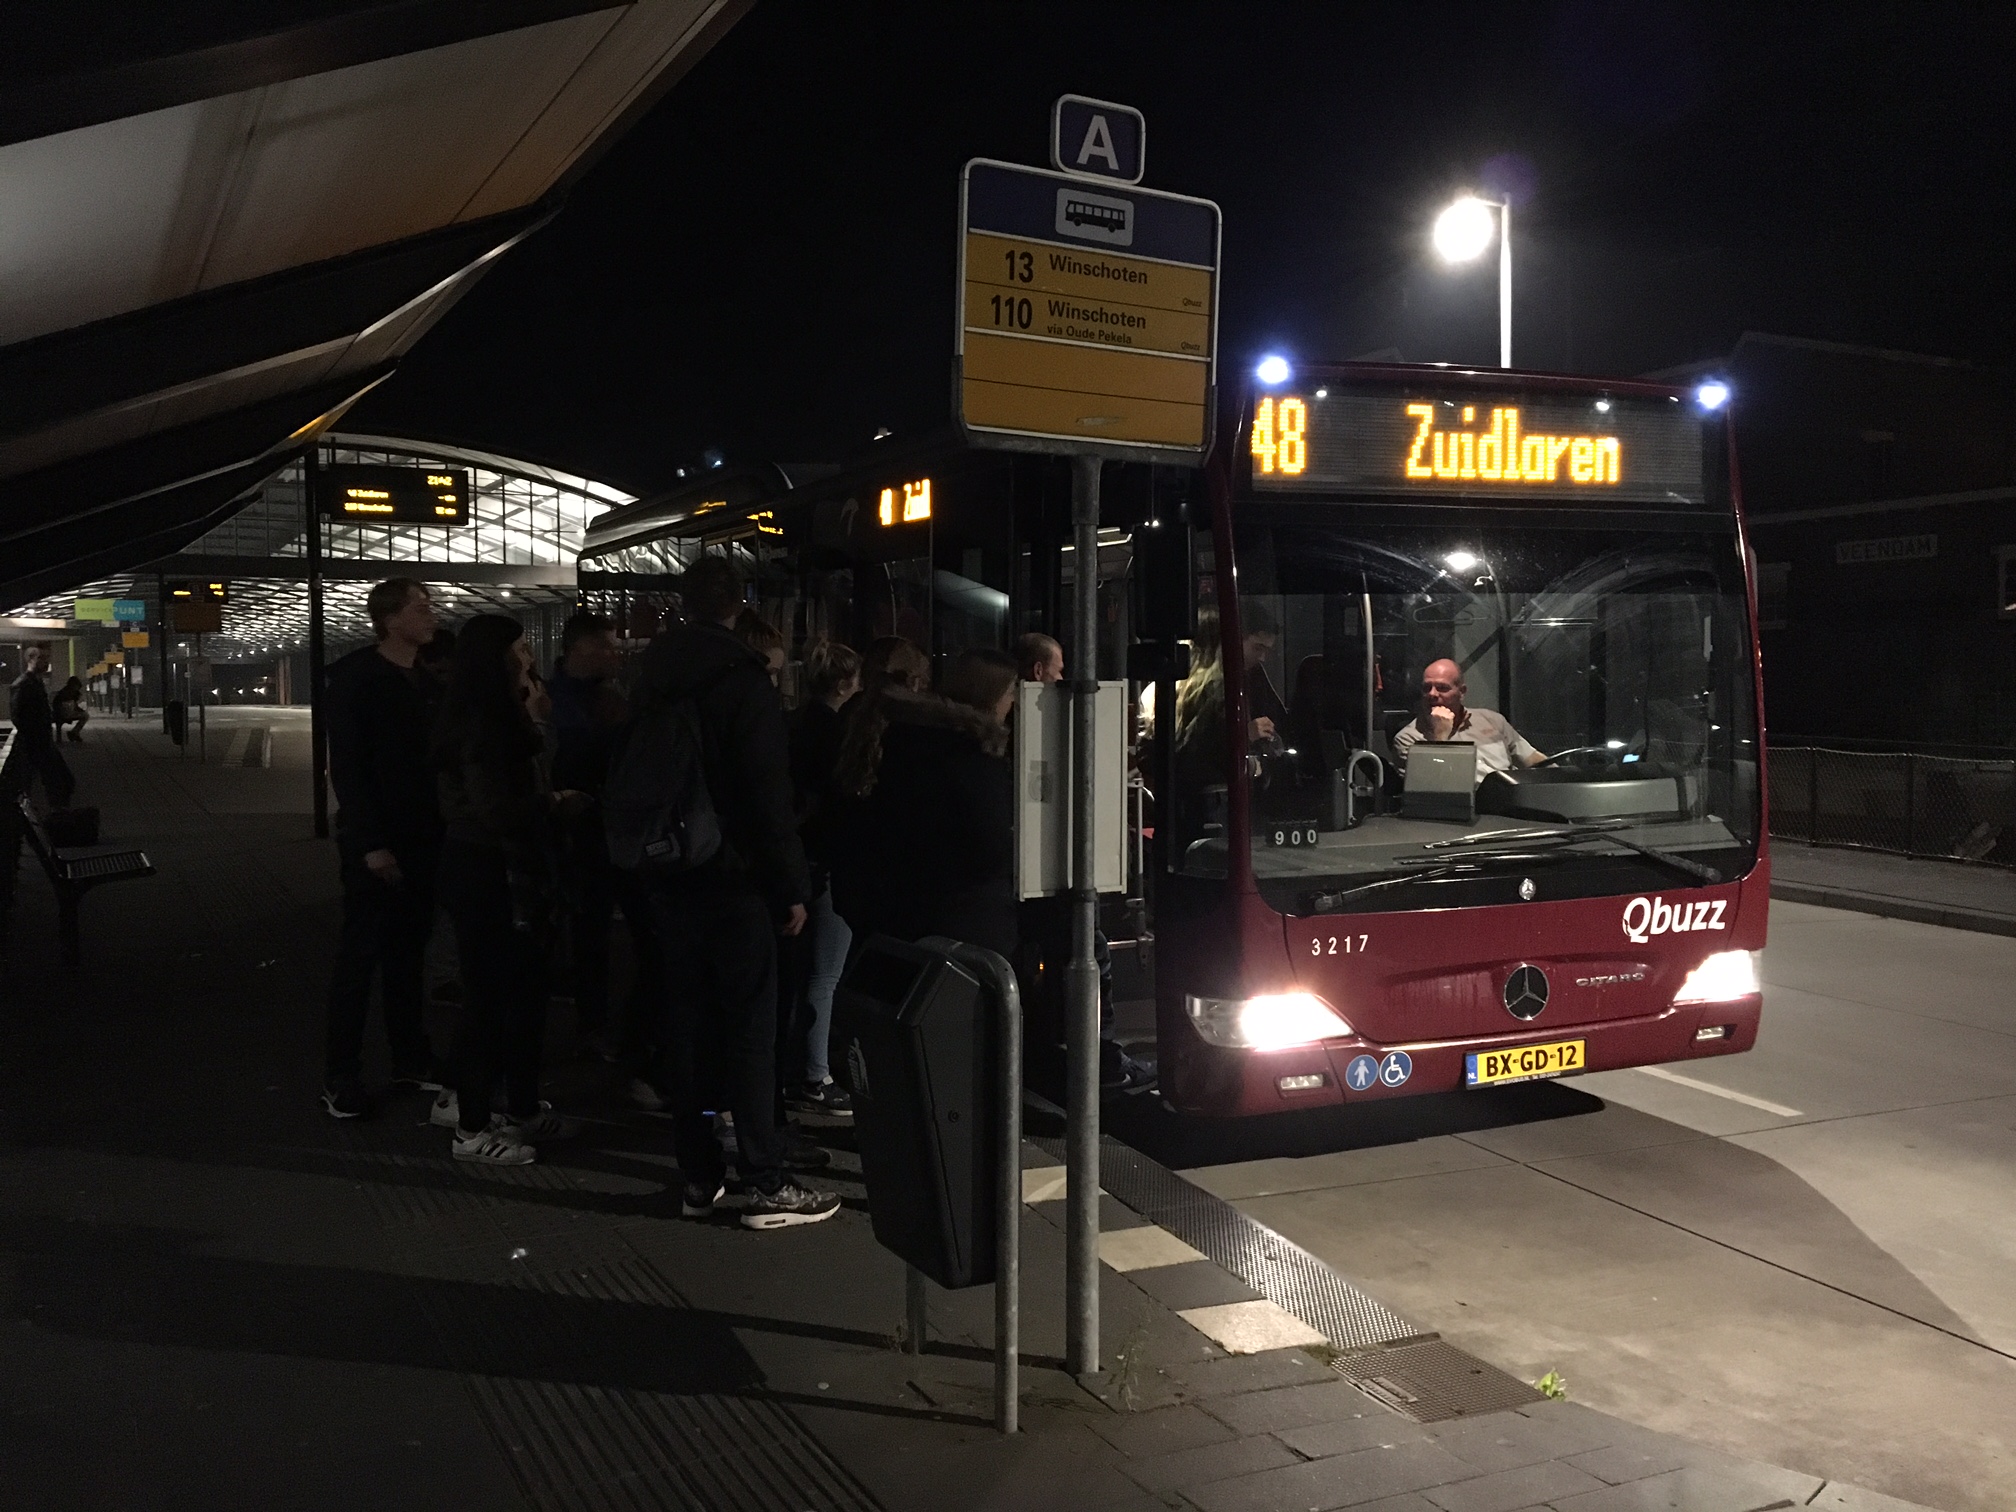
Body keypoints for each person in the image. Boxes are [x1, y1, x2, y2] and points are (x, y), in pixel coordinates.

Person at [636, 554, 839, 1230]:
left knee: (689, 1028)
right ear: (739, 603)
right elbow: (765, 795)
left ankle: (698, 1174)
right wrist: (792, 887)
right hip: (733, 877)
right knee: (751, 1031)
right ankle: (765, 1178)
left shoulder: (653, 673)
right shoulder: (740, 680)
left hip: (667, 871)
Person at [429, 615, 581, 1164]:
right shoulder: (485, 719)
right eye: (521, 647)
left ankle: (516, 1107)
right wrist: (551, 794)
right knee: (490, 997)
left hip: (500, 868)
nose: (530, 656)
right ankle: (471, 1126)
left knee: (522, 993)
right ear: (497, 657)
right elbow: (499, 808)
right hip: (490, 869)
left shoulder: (490, 711)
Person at [321, 578, 446, 1119]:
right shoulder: (358, 680)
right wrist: (371, 844)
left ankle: (410, 1058)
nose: (433, 614)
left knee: (407, 954)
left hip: (423, 838)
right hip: (377, 842)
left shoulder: (426, 680)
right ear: (390, 619)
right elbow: (349, 769)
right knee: (361, 957)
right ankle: (341, 1075)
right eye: (421, 607)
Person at [834, 648, 1019, 960]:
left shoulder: (900, 740)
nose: (1013, 703)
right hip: (961, 929)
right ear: (992, 695)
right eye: (1011, 692)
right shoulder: (971, 760)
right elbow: (992, 847)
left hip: (891, 917)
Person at [547, 610, 656, 1063]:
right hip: (590, 832)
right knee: (601, 929)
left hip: (601, 828)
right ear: (582, 650)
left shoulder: (583, 697)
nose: (617, 655)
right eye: (608, 646)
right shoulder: (568, 704)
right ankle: (603, 1027)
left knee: (596, 930)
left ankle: (600, 1022)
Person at [784, 639, 861, 1116]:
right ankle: (815, 1075)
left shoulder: (793, 725)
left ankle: (799, 1065)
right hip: (828, 861)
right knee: (826, 973)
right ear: (844, 683)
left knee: (803, 971)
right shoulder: (838, 736)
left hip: (799, 859)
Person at [1390, 657, 1545, 782]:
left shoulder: (1492, 720)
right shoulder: (1408, 739)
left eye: (1442, 688)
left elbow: (1533, 760)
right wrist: (1439, 738)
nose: (1432, 694)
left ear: (1462, 692)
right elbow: (1434, 787)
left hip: (1509, 803)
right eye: (1427, 688)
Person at [3, 646, 77, 807]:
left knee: (58, 782)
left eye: (47, 658)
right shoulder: (23, 684)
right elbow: (18, 716)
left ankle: (54, 815)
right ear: (30, 659)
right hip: (34, 743)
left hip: (39, 742)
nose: (46, 662)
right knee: (58, 782)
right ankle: (55, 818)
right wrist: (35, 735)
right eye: (41, 658)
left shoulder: (33, 682)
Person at [51, 677, 88, 743]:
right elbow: (73, 705)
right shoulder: (71, 693)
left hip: (62, 713)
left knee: (85, 715)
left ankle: (74, 733)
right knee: (85, 715)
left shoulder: (64, 692)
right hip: (63, 713)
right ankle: (74, 732)